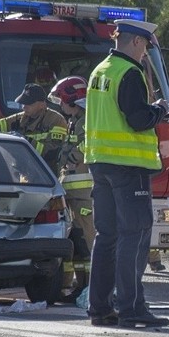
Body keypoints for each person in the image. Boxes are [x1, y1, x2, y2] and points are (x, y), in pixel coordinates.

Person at [84, 18, 169, 328]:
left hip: (100, 164)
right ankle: (132, 308)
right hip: (128, 167)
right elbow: (137, 119)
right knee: (134, 236)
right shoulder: (130, 73)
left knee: (106, 237)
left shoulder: (100, 71)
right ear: (136, 42)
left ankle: (100, 308)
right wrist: (160, 110)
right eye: (146, 46)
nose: (146, 52)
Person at [48, 75, 95, 302]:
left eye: (62, 100)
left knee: (86, 241)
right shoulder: (74, 121)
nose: (60, 104)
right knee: (77, 242)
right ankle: (81, 286)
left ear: (73, 99)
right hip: (73, 194)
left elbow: (89, 143)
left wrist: (71, 158)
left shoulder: (86, 121)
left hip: (84, 195)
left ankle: (89, 287)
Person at [0, 83, 68, 174]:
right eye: (23, 103)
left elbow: (53, 152)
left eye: (28, 103)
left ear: (42, 104)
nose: (24, 107)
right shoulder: (23, 117)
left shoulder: (56, 120)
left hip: (46, 174)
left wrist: (25, 141)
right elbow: (3, 124)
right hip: (24, 172)